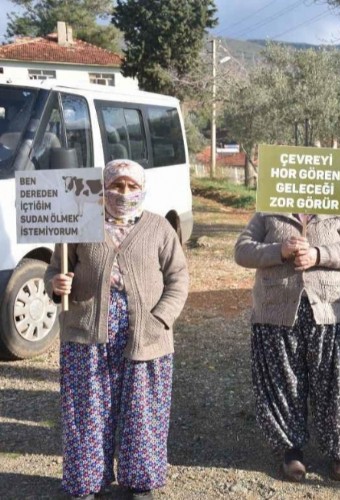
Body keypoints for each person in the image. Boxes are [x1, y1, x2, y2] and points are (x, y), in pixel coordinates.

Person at [46, 159, 189, 500]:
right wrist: (56, 283)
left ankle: (139, 483)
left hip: (146, 335)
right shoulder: (79, 223)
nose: (124, 193)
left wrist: (161, 318)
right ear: (103, 187)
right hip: (86, 333)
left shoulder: (158, 228)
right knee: (86, 410)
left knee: (142, 411)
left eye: (131, 186)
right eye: (116, 185)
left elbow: (178, 278)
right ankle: (85, 483)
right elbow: (54, 268)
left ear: (142, 189)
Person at [234, 209, 340, 482]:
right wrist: (279, 250)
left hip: (332, 312)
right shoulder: (268, 211)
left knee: (337, 384)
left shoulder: (338, 208)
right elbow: (242, 250)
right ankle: (291, 450)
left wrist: (319, 255)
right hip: (277, 313)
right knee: (284, 383)